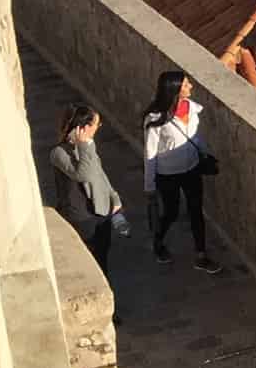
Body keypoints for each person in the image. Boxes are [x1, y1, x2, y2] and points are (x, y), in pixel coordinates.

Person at [142, 68, 222, 273]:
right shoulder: (155, 119)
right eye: (186, 84)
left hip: (192, 169)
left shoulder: (193, 109)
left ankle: (201, 255)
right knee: (171, 212)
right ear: (175, 89)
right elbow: (150, 153)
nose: (190, 87)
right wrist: (149, 186)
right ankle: (158, 243)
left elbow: (195, 137)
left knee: (196, 211)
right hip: (167, 174)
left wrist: (204, 154)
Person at [46, 102, 128, 272]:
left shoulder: (89, 146)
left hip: (101, 210)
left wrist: (114, 197)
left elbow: (98, 173)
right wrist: (84, 146)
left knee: (103, 255)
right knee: (91, 261)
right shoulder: (59, 152)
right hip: (81, 216)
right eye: (96, 124)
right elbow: (84, 175)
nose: (98, 128)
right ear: (83, 127)